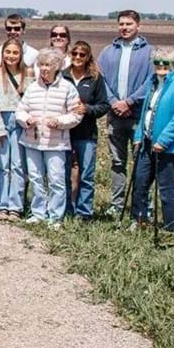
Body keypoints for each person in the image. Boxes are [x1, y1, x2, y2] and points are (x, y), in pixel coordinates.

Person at [15, 48, 83, 225]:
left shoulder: (67, 88)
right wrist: (26, 119)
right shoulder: (32, 88)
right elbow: (20, 110)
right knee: (36, 178)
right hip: (32, 140)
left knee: (56, 179)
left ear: (57, 66)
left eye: (48, 65)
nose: (44, 68)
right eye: (42, 64)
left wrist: (60, 121)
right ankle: (38, 213)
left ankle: (55, 216)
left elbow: (76, 114)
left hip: (56, 143)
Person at [96, 10, 154, 214]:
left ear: (138, 26)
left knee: (142, 162)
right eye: (121, 24)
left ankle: (143, 206)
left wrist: (129, 102)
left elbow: (152, 81)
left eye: (129, 24)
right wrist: (114, 103)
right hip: (115, 115)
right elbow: (100, 79)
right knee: (118, 162)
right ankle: (117, 205)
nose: (124, 27)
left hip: (139, 115)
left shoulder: (149, 52)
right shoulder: (107, 52)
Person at [133, 46, 174, 231]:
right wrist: (138, 135)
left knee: (167, 188)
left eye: (165, 63)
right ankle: (139, 219)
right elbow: (145, 111)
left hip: (169, 146)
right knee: (140, 181)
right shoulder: (152, 82)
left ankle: (171, 226)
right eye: (157, 62)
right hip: (148, 142)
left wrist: (163, 140)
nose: (160, 66)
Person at [63, 41, 110, 220]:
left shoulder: (95, 78)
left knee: (86, 175)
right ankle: (66, 209)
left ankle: (84, 212)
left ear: (88, 57)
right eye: (74, 54)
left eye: (82, 55)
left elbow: (104, 105)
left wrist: (88, 109)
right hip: (64, 134)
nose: (77, 58)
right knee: (64, 173)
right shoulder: (62, 76)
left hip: (86, 134)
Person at [0, 39, 30, 220]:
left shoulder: (28, 74)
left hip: (20, 120)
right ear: (2, 54)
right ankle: (2, 205)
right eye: (8, 52)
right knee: (2, 165)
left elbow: (31, 100)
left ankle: (16, 206)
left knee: (18, 165)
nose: (11, 56)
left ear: (20, 55)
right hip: (1, 119)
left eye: (15, 52)